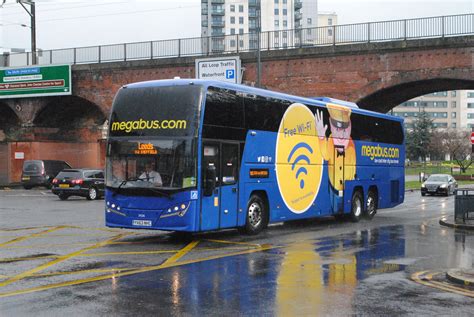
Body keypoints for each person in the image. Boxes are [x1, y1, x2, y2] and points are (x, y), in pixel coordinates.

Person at [315, 103, 356, 212]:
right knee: (334, 208)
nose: (341, 135)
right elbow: (326, 155)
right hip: (332, 188)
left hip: (347, 190)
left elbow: (352, 170)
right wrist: (321, 137)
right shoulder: (331, 140)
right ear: (331, 126)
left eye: (344, 130)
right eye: (337, 129)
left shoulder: (351, 147)